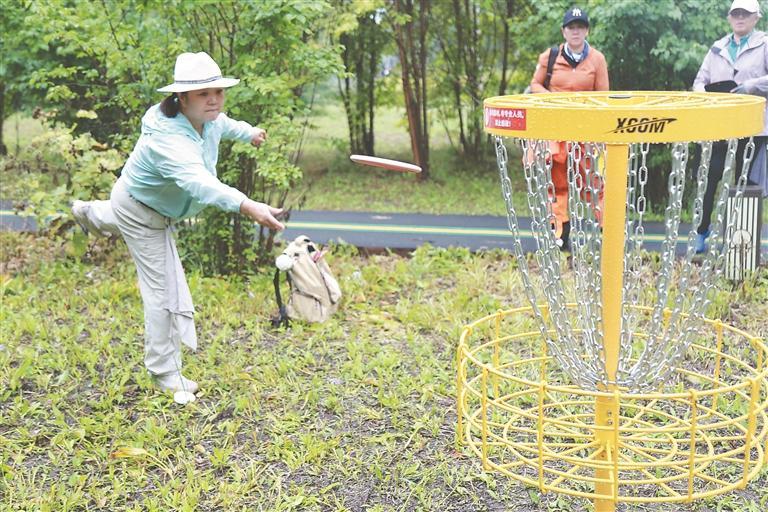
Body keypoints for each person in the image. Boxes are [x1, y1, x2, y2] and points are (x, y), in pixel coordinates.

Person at [71, 52, 285, 394]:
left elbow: (225, 123)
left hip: (138, 204)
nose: (213, 98)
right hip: (143, 213)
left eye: (218, 91)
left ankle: (91, 213)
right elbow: (198, 181)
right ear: (181, 97)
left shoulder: (207, 117)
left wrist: (250, 134)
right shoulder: (167, 139)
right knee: (163, 294)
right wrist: (247, 205)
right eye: (203, 93)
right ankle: (164, 372)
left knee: (117, 214)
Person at [529, 7, 609, 250]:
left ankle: (609, 231)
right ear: (564, 31)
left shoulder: (597, 59)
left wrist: (598, 132)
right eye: (571, 27)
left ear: (586, 31)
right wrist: (554, 99)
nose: (576, 32)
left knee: (592, 183)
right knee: (558, 181)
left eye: (580, 27)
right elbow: (535, 85)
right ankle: (561, 234)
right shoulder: (550, 56)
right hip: (556, 128)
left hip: (585, 129)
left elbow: (603, 96)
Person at [692, 0, 768, 253]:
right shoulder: (717, 48)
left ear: (756, 17)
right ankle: (702, 231)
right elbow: (699, 80)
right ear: (729, 17)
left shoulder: (765, 43)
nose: (740, 18)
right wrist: (703, 92)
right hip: (720, 124)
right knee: (711, 176)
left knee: (744, 181)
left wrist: (752, 85)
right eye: (736, 13)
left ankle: (739, 238)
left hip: (753, 124)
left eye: (745, 14)